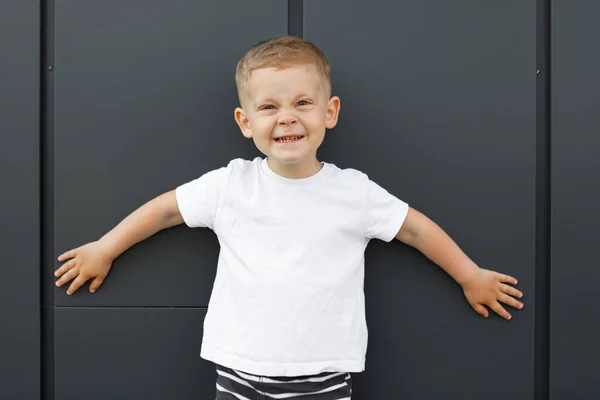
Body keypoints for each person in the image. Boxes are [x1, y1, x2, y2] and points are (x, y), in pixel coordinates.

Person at [54, 36, 524, 399]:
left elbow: (416, 229)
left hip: (324, 371)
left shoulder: (353, 191)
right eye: (269, 107)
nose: (286, 118)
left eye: (302, 102)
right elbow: (163, 212)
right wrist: (104, 248)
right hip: (239, 367)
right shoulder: (230, 184)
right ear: (245, 122)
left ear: (330, 111)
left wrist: (470, 275)